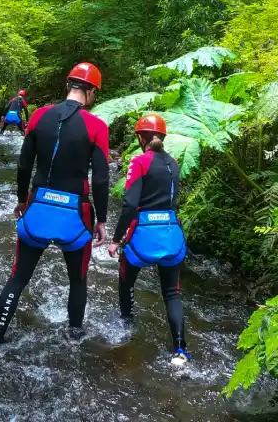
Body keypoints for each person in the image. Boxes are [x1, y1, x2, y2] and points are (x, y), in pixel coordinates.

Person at [0, 63, 110, 343]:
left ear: (68, 85)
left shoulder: (40, 116)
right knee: (78, 281)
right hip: (76, 215)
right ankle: (74, 338)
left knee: (18, 278)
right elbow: (102, 179)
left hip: (37, 207)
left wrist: (22, 200)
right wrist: (102, 220)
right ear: (92, 92)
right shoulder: (97, 126)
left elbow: (23, 165)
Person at [107, 114, 190, 366]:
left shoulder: (139, 162)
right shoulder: (174, 163)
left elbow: (130, 204)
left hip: (143, 234)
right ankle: (180, 350)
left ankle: (126, 323)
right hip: (171, 232)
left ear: (141, 138)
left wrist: (116, 239)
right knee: (171, 294)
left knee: (126, 281)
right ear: (162, 137)